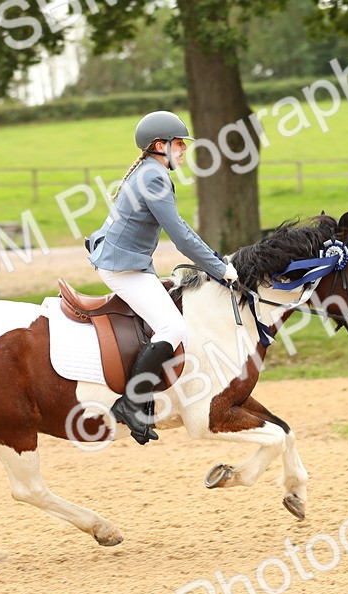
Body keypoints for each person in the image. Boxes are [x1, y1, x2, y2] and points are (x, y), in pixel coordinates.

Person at [85, 110, 239, 445]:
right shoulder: (154, 177)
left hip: (126, 261)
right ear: (159, 145)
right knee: (173, 327)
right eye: (179, 143)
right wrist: (220, 268)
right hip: (123, 267)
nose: (184, 149)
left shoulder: (148, 170)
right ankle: (131, 403)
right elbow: (180, 236)